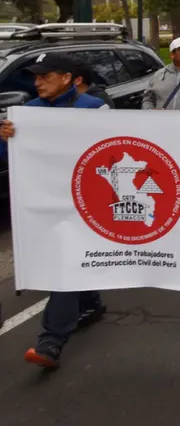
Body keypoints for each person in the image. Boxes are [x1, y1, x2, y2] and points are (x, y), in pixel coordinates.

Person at [0, 53, 108, 369]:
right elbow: (8, 157)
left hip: (85, 205)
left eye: (45, 76)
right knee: (72, 262)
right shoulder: (27, 113)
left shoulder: (93, 108)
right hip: (46, 203)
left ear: (66, 77)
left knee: (65, 266)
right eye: (36, 77)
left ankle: (50, 343)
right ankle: (92, 303)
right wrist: (4, 138)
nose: (37, 83)